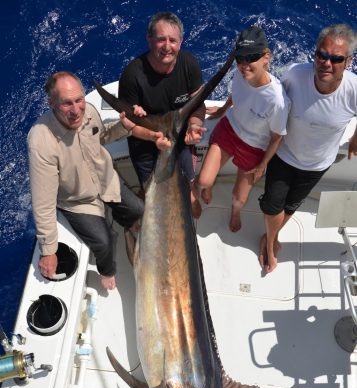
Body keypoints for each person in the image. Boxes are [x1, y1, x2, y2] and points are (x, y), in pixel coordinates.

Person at [28, 71, 170, 290]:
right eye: (67, 103)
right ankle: (106, 271)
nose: (76, 110)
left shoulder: (90, 112)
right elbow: (43, 201)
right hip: (77, 200)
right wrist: (48, 250)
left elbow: (101, 137)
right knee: (105, 242)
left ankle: (129, 224)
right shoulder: (41, 140)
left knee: (140, 211)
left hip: (106, 180)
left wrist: (125, 126)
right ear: (51, 103)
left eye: (79, 100)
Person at [259, 24, 357, 273]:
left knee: (291, 206)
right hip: (283, 156)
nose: (326, 63)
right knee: (272, 206)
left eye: (336, 59)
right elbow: (273, 101)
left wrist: (355, 137)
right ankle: (270, 243)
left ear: (348, 62)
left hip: (317, 165)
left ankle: (273, 236)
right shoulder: (294, 74)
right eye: (322, 55)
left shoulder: (353, 90)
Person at [193, 26, 290, 229]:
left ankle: (235, 213)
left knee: (239, 198)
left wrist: (262, 165)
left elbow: (276, 138)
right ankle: (206, 189)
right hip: (229, 129)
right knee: (203, 180)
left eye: (251, 57)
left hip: (254, 146)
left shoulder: (278, 101)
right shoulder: (240, 74)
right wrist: (222, 111)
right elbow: (236, 95)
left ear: (266, 57)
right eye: (240, 58)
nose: (244, 65)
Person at [118, 11, 206, 211]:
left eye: (173, 40)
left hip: (180, 136)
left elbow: (198, 103)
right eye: (161, 39)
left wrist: (194, 125)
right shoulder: (132, 75)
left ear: (180, 42)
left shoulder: (189, 64)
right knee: (151, 192)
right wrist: (153, 136)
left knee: (189, 182)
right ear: (149, 40)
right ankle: (147, 194)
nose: (167, 46)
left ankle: (190, 193)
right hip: (145, 140)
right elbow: (130, 125)